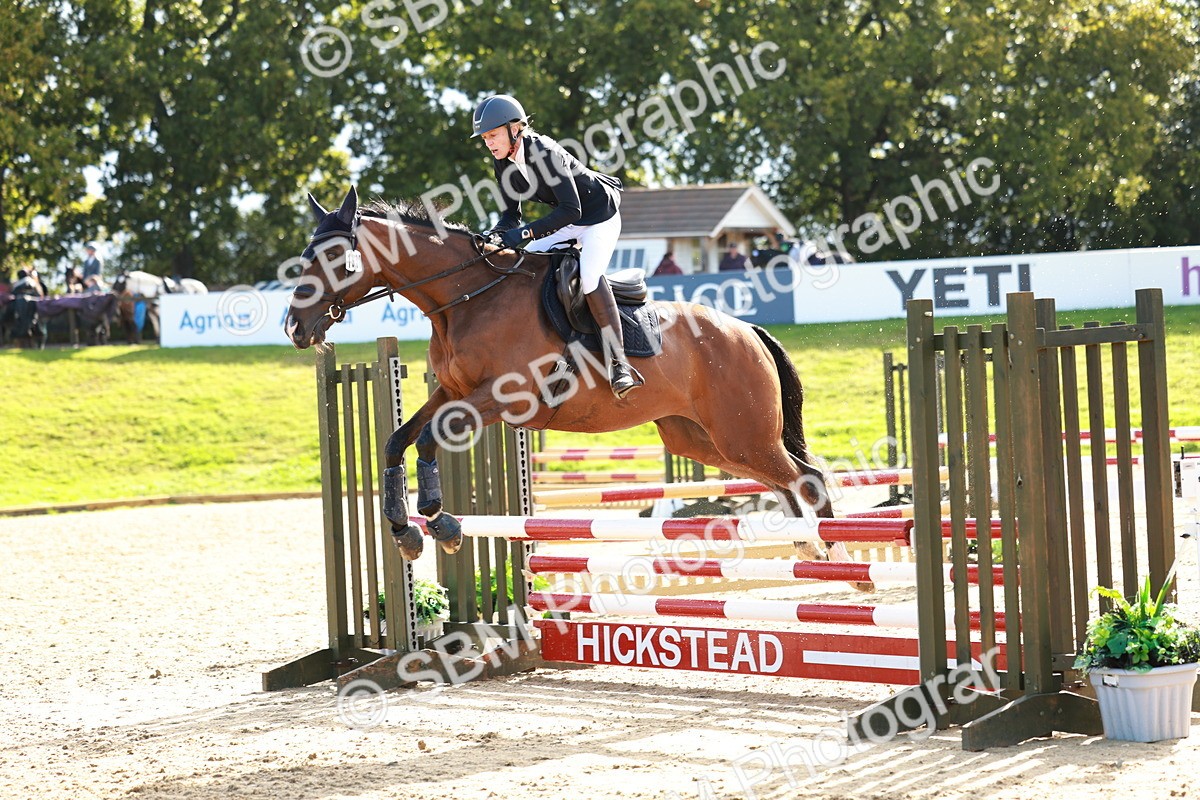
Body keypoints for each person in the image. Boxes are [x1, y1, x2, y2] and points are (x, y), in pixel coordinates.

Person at [471, 94, 641, 399]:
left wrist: (522, 235)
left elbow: (571, 210)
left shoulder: (545, 152)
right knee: (525, 264)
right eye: (485, 138)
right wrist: (494, 237)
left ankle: (620, 364)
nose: (489, 143)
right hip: (569, 221)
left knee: (588, 277)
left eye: (493, 135)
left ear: (515, 128)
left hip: (599, 218)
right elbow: (512, 216)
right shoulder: (503, 162)